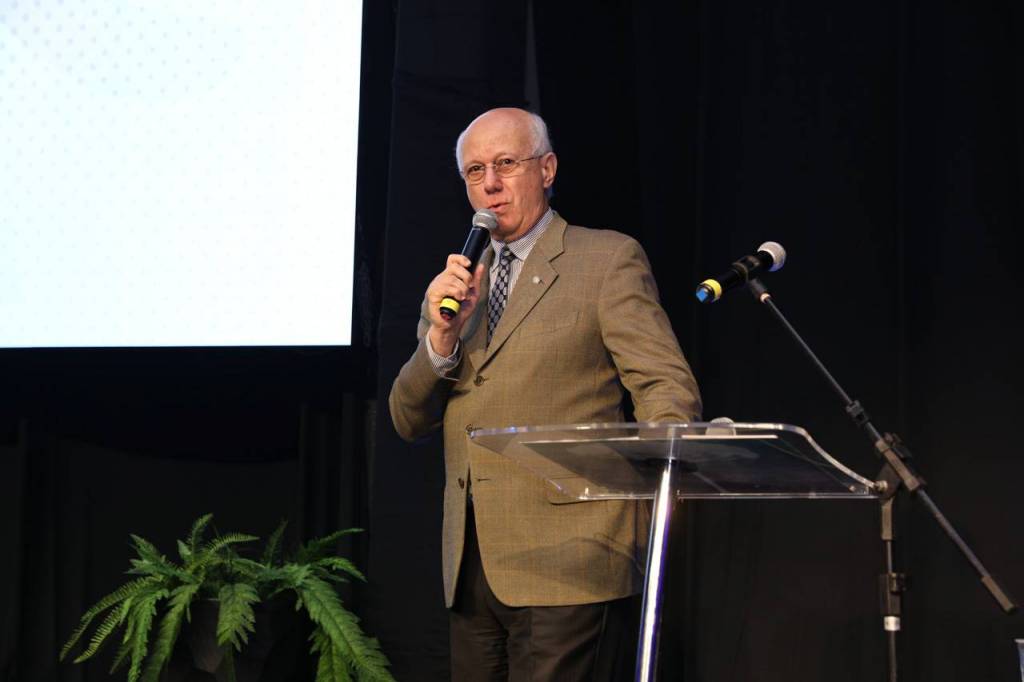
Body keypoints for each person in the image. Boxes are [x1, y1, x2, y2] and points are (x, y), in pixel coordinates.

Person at [389, 107, 701, 681]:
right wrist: (440, 339)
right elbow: (407, 418)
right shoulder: (457, 286)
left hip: (574, 555)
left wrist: (655, 489)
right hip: (473, 564)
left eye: (506, 163)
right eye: (475, 170)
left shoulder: (605, 259)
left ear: (547, 168)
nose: (490, 183)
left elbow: (664, 386)